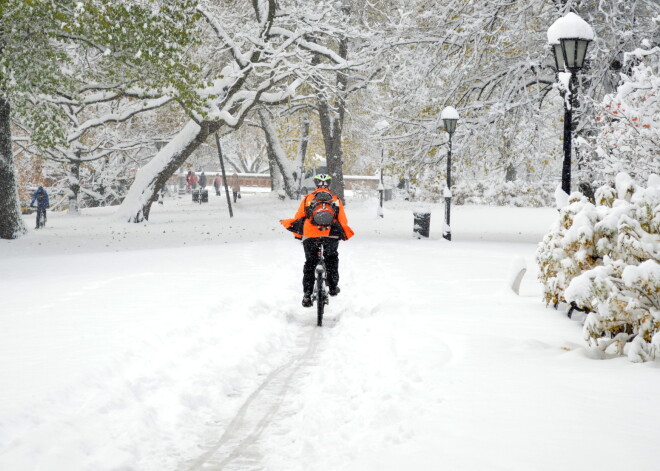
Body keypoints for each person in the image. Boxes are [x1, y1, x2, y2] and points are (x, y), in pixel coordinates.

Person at [280, 174, 354, 307]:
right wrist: (342, 234)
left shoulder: (308, 199)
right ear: (329, 185)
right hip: (331, 234)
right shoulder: (336, 200)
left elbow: (299, 217)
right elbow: (343, 220)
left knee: (310, 263)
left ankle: (307, 294)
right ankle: (332, 286)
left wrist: (299, 235)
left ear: (316, 185)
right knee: (331, 258)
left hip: (310, 235)